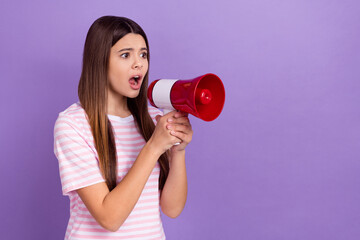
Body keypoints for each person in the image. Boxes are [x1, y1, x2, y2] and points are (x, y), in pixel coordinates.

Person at [54, 16, 193, 240]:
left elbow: (172, 209)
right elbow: (110, 218)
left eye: (143, 54)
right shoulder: (72, 125)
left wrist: (178, 151)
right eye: (125, 55)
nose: (139, 63)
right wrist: (154, 147)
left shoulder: (153, 119)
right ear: (100, 61)